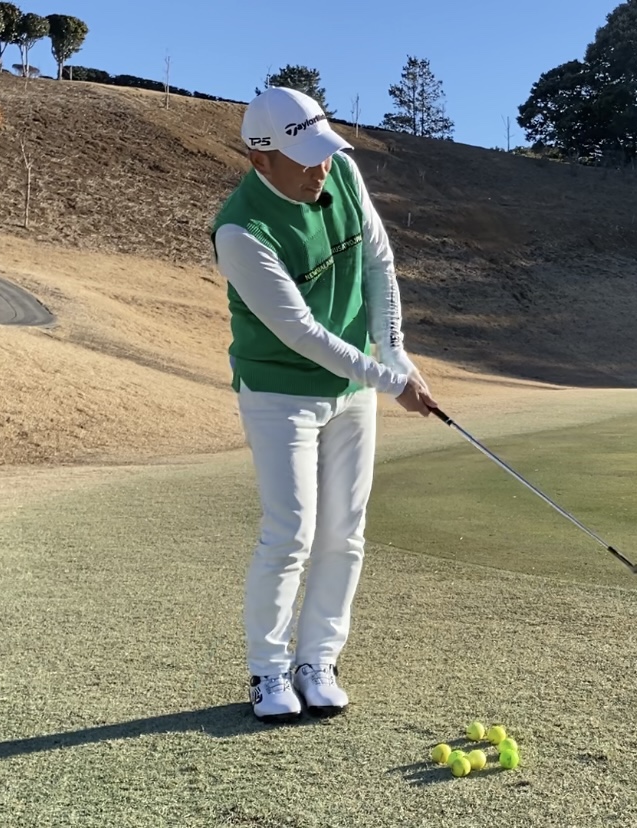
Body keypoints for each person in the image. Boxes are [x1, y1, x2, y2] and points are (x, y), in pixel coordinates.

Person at [209, 87, 438, 723]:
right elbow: (303, 335)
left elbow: (378, 262)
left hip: (352, 390)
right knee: (291, 533)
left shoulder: (340, 175)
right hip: (280, 391)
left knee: (345, 532)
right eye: (305, 158)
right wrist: (389, 382)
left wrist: (395, 353)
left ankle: (318, 662)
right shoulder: (241, 231)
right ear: (261, 160)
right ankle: (269, 671)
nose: (322, 168)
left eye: (325, 152)